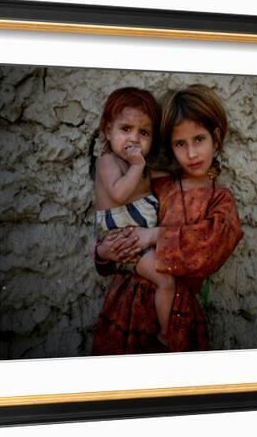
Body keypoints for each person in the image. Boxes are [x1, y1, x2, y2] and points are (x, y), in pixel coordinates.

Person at [92, 84, 244, 355]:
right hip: (124, 309)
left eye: (199, 139)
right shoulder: (155, 185)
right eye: (180, 144)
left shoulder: (219, 200)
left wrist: (153, 235)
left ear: (216, 137)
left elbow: (209, 247)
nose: (192, 153)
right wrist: (103, 252)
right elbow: (115, 239)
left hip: (175, 315)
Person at [93, 87, 176, 347]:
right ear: (108, 131)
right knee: (166, 280)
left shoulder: (142, 167)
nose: (134, 139)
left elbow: (171, 175)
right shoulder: (108, 162)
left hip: (138, 242)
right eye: (126, 129)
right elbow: (118, 193)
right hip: (124, 241)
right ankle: (166, 333)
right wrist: (138, 166)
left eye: (144, 132)